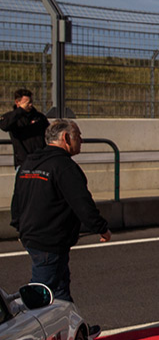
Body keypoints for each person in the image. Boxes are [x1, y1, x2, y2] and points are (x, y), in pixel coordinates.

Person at [10, 119, 112, 302]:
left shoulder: (29, 163)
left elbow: (17, 199)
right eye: (78, 136)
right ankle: (31, 319)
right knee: (40, 294)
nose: (81, 140)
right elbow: (82, 203)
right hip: (49, 239)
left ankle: (68, 317)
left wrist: (19, 226)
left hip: (31, 235)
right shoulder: (64, 166)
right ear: (66, 138)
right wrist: (101, 228)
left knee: (59, 288)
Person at [1, 89, 49, 170]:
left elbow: (49, 133)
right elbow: (4, 126)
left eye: (31, 102)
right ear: (17, 102)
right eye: (27, 102)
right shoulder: (12, 118)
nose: (30, 105)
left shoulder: (39, 117)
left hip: (40, 160)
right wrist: (20, 110)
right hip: (23, 162)